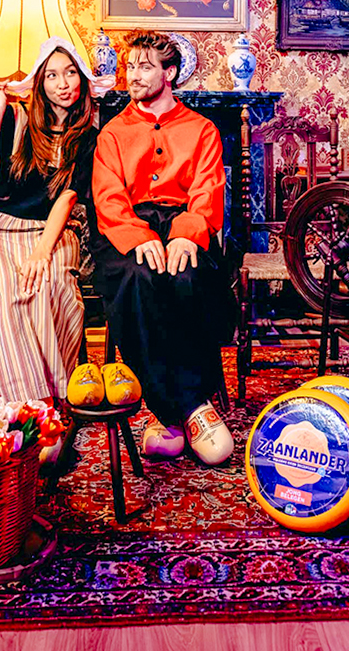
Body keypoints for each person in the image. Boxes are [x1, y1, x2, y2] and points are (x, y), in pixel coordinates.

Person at [91, 30, 236, 465]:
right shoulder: (112, 133)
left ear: (169, 72)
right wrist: (141, 237)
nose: (132, 75)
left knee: (189, 275)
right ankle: (187, 408)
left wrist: (186, 234)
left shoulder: (202, 129)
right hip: (127, 225)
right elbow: (109, 197)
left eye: (144, 66)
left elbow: (208, 190)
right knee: (138, 276)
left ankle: (170, 414)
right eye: (130, 66)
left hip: (183, 220)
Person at [0, 38, 106, 445]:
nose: (63, 83)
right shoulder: (15, 120)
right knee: (7, 289)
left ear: (82, 79)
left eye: (71, 73)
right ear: (40, 83)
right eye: (53, 75)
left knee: (50, 284)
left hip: (53, 231)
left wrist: (44, 248)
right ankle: (40, 410)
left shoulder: (89, 138)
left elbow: (68, 197)